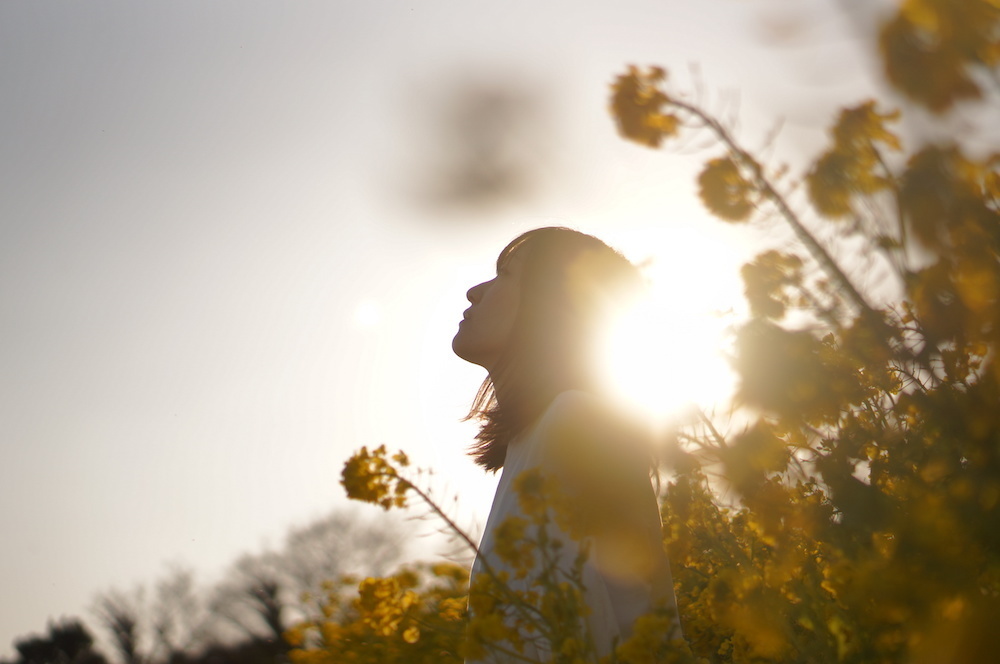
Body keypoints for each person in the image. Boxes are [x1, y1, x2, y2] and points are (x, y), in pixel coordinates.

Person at [452, 227, 681, 662]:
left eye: (506, 274)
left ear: (552, 305)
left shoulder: (576, 421)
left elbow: (592, 627)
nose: (474, 291)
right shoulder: (531, 441)